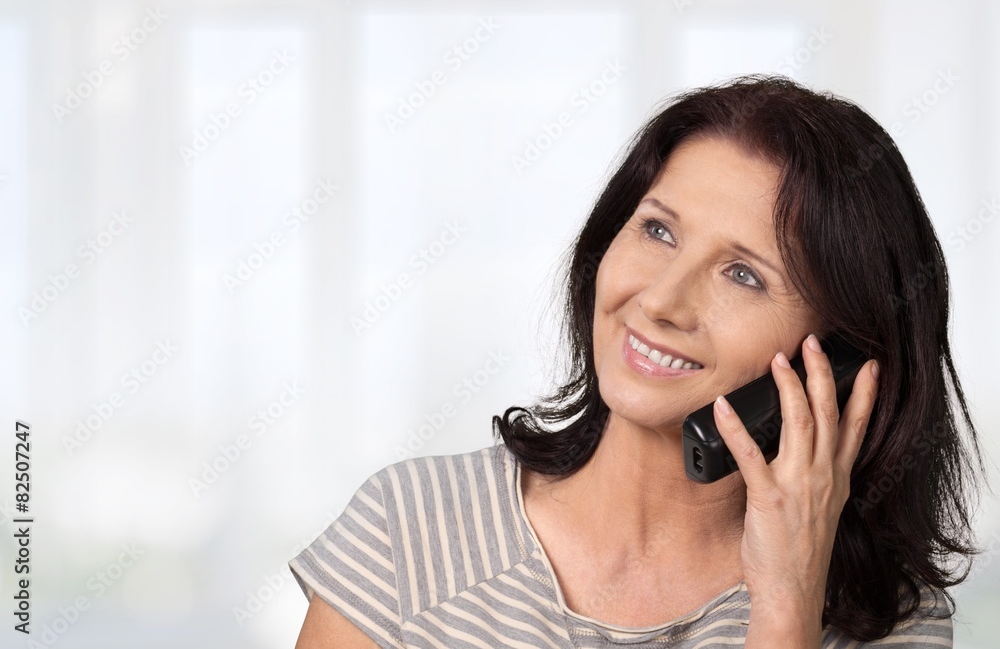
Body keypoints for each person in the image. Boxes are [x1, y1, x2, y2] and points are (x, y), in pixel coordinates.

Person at [290, 75, 985, 647]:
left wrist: (784, 606)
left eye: (742, 274)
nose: (659, 300)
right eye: (657, 230)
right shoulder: (407, 530)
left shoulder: (887, 620)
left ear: (838, 356)